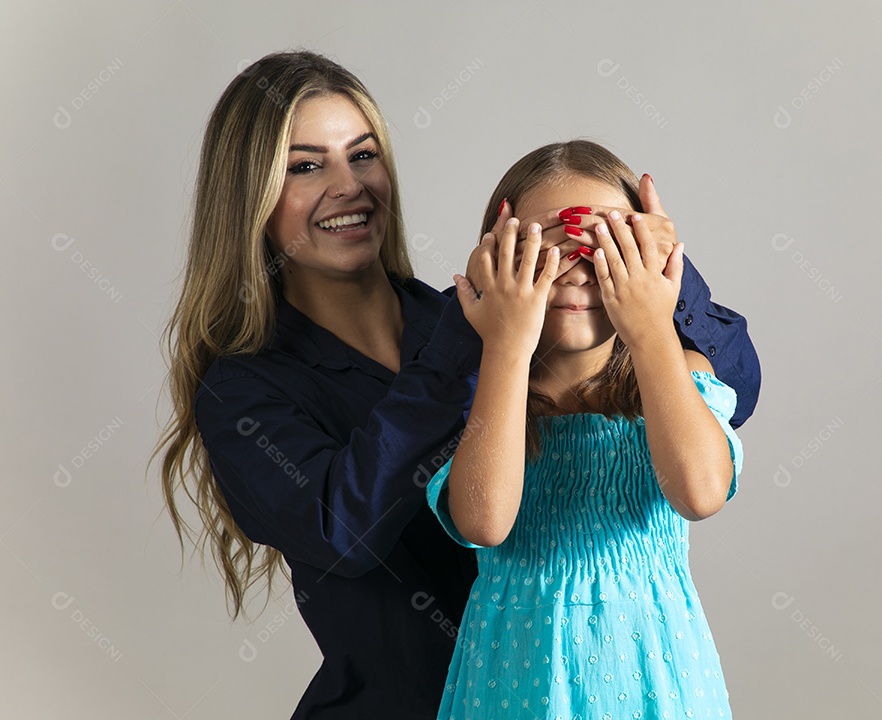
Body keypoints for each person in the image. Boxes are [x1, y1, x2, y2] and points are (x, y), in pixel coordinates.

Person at [153, 50, 759, 718]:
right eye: (304, 166)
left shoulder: (484, 316)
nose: (348, 185)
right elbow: (342, 529)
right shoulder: (246, 392)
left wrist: (647, 264)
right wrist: (486, 343)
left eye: (363, 155)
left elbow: (731, 379)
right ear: (251, 199)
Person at [427, 140, 743, 718]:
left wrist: (651, 329)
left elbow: (701, 494)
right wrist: (506, 342)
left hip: (657, 681)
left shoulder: (679, 378)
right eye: (544, 250)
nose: (575, 270)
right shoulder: (480, 400)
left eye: (606, 247)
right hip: (512, 686)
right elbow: (484, 521)